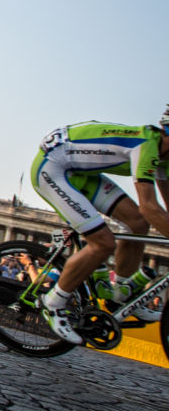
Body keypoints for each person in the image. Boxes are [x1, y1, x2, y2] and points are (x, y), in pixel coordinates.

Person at [32, 113, 169, 344]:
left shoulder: (164, 158)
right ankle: (53, 302)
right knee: (103, 243)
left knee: (137, 223)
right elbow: (149, 207)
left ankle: (122, 295)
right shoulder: (146, 147)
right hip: (52, 169)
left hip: (79, 171)